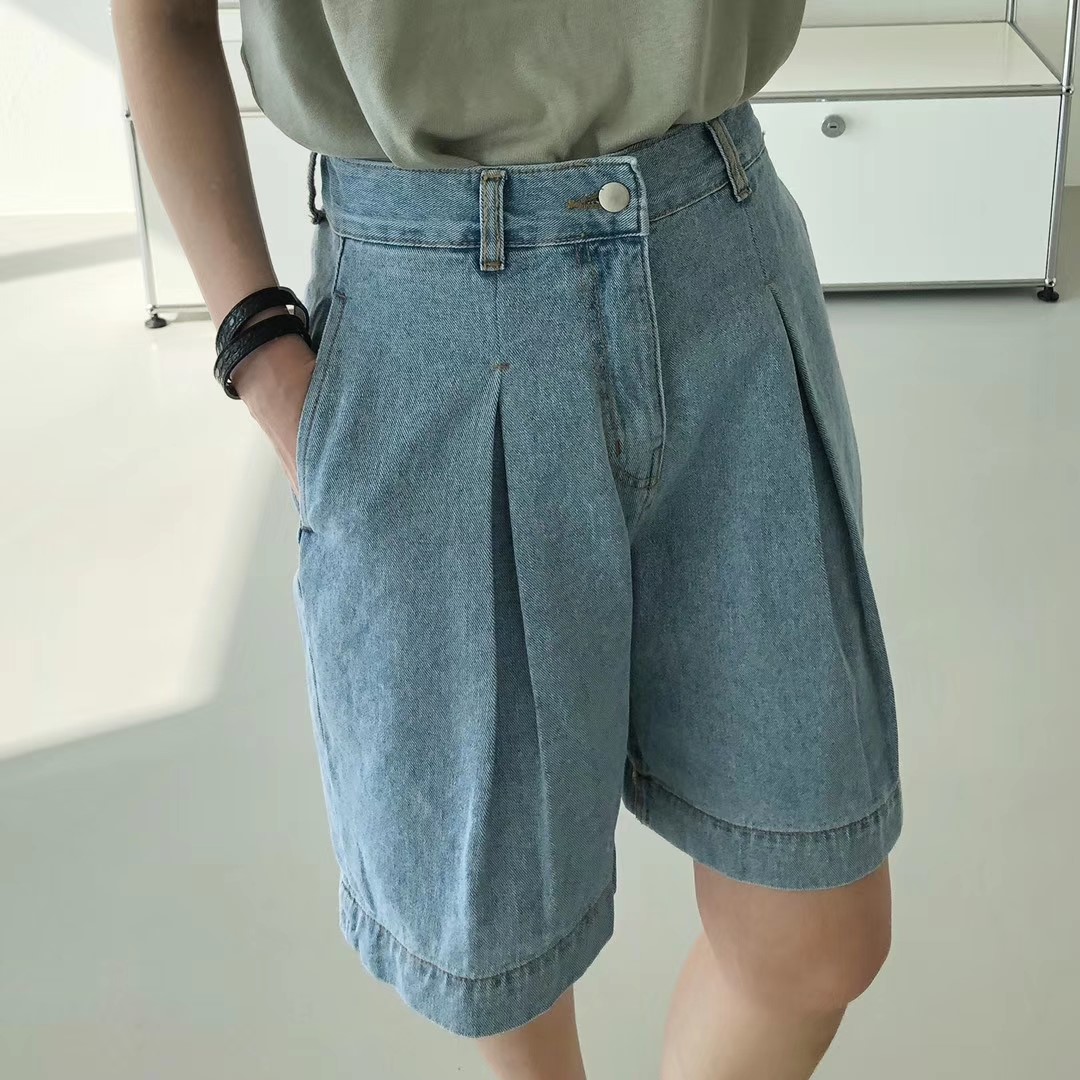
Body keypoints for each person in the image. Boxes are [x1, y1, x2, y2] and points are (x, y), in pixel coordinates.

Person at [112, 1, 902, 1076]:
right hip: (429, 302)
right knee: (499, 932)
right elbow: (159, 18)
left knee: (819, 931)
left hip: (717, 256)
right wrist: (259, 352)